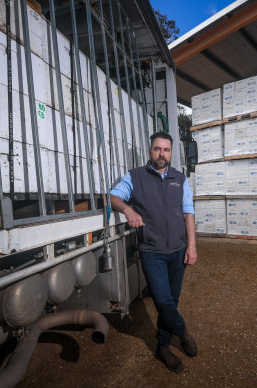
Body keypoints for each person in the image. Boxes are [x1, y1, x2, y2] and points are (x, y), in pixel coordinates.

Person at [110, 132, 198, 373]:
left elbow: (188, 212)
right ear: (150, 151)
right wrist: (128, 210)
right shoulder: (135, 177)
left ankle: (163, 346)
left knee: (173, 300)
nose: (162, 153)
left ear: (171, 152)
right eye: (157, 149)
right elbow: (113, 197)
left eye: (166, 150)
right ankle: (182, 332)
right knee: (162, 300)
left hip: (178, 250)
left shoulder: (180, 179)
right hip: (152, 251)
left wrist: (192, 245)